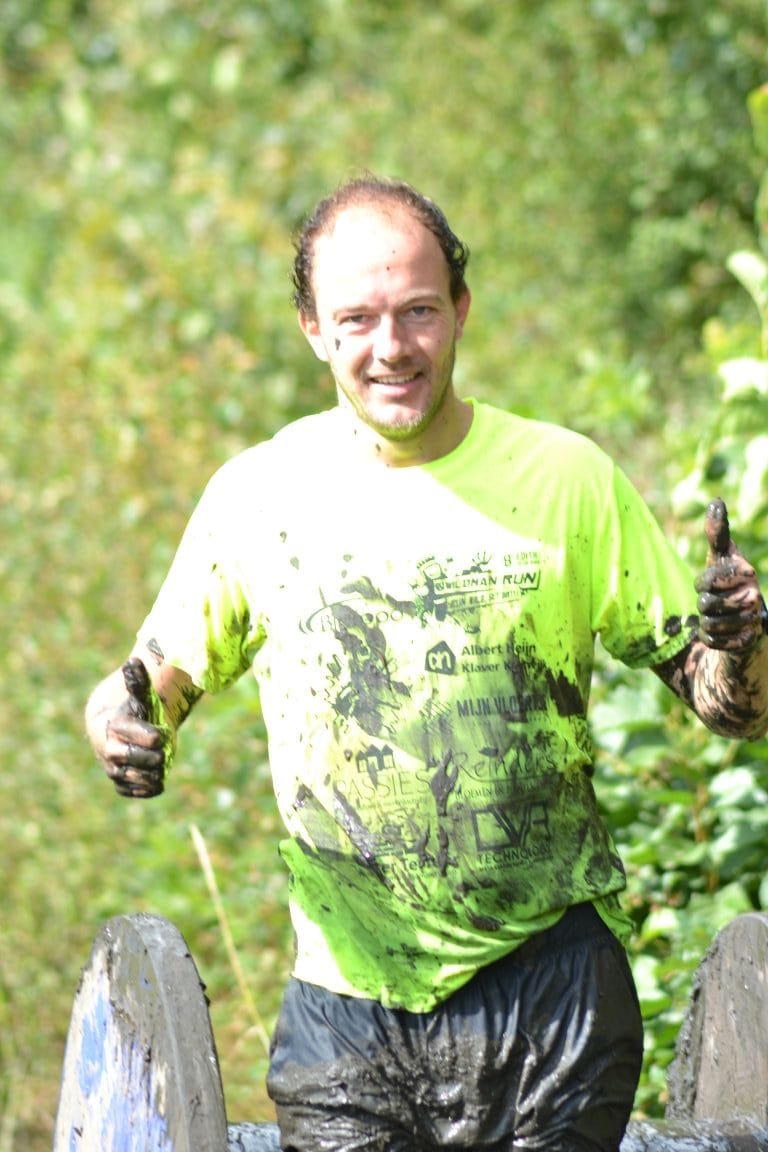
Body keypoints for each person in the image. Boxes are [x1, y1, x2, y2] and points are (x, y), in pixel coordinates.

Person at [85, 175, 768, 1152]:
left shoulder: (567, 479)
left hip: (553, 994)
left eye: (417, 312)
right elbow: (144, 685)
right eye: (357, 319)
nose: (392, 347)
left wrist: (741, 645)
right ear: (313, 329)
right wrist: (121, 728)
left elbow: (732, 709)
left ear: (461, 310)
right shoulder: (257, 499)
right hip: (348, 1009)